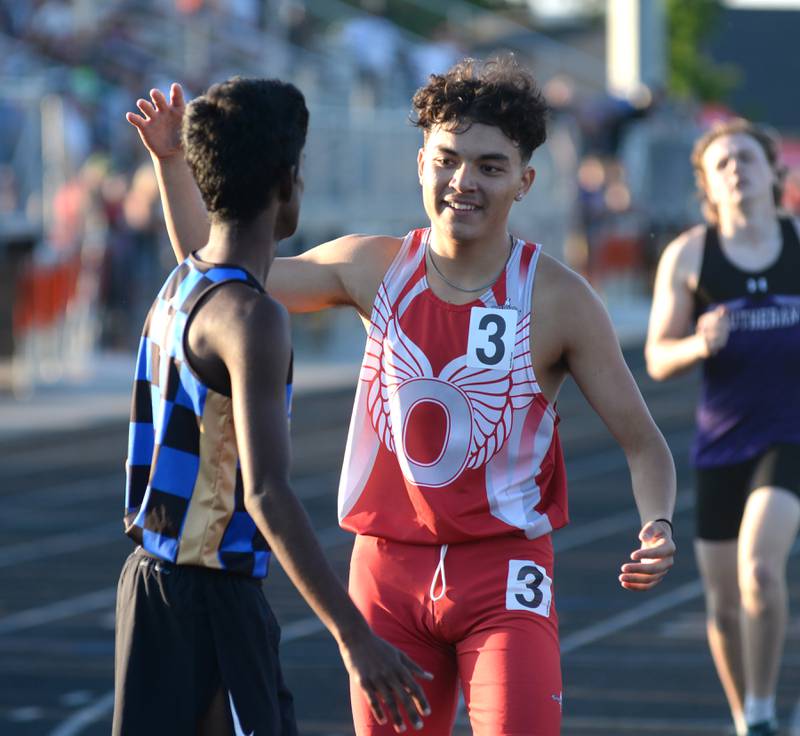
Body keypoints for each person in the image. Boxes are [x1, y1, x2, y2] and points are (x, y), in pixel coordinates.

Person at [129, 57, 677, 735]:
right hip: (386, 576)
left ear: (525, 181)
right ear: (421, 164)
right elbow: (217, 271)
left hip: (504, 577)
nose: (463, 182)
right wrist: (172, 165)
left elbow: (645, 444)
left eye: (489, 166)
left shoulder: (561, 301)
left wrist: (658, 523)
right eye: (447, 160)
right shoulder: (371, 267)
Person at [117, 76, 432, 736]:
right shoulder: (254, 319)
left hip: (150, 588)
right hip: (212, 597)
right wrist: (356, 638)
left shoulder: (182, 285)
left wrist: (167, 161)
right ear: (287, 185)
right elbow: (266, 492)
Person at [646, 118, 800, 736]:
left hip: (790, 435)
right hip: (721, 444)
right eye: (723, 161)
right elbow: (658, 357)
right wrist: (698, 345)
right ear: (708, 183)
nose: (737, 167)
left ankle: (765, 711)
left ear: (773, 172)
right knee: (724, 607)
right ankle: (748, 716)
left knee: (761, 571)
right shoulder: (689, 254)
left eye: (747, 157)